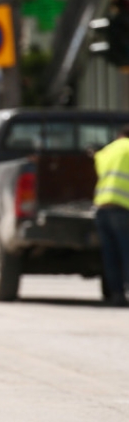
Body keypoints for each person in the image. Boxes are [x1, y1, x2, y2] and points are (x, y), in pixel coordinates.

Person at [94, 125, 129, 307]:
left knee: (111, 255)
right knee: (126, 252)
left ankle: (117, 294)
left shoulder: (106, 151)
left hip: (102, 207)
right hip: (124, 208)